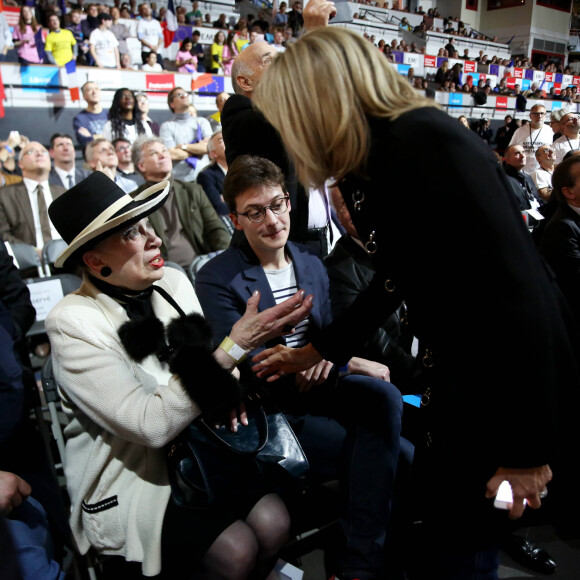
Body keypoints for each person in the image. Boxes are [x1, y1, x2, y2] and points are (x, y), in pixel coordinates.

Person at [252, 26, 578, 579]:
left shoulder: (423, 142)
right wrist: (319, 349)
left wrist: (527, 450)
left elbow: (523, 296)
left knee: (464, 551)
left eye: (286, 115)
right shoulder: (373, 159)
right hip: (458, 387)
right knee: (448, 539)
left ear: (316, 104)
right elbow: (399, 276)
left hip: (499, 395)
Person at [45, 172, 313, 578]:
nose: (154, 239)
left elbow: (213, 374)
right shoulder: (72, 321)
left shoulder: (171, 279)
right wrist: (234, 347)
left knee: (275, 521)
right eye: (132, 233)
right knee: (237, 550)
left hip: (205, 450)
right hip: (136, 480)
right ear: (95, 260)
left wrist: (231, 396)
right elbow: (149, 424)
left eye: (148, 224)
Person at [195, 155, 404, 580]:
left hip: (323, 387)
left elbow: (331, 336)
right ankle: (360, 562)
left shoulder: (311, 263)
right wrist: (311, 356)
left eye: (277, 205)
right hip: (271, 408)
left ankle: (359, 563)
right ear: (235, 219)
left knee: (386, 399)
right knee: (393, 458)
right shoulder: (218, 276)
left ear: (290, 203)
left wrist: (330, 355)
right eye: (255, 211)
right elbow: (246, 361)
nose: (272, 220)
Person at [131, 136, 230, 268]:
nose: (163, 155)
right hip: (162, 270)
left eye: (165, 150)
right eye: (154, 153)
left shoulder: (193, 191)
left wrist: (228, 257)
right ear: (141, 165)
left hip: (201, 263)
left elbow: (215, 229)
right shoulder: (134, 202)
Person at [0, 141, 65, 249]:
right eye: (31, 151)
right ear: (20, 163)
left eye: (44, 152)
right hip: (28, 261)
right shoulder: (4, 195)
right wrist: (32, 253)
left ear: (50, 162)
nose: (39, 154)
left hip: (67, 259)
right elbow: (3, 235)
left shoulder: (64, 193)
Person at [159, 88, 213, 182]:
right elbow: (171, 154)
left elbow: (208, 148)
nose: (184, 96)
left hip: (204, 178)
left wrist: (184, 146)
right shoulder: (167, 126)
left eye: (185, 94)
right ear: (172, 104)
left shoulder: (202, 122)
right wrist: (198, 149)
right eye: (179, 95)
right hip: (180, 181)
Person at [508, 104, 554, 174]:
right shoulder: (520, 131)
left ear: (545, 116)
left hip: (542, 172)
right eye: (536, 114)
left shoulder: (550, 131)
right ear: (530, 116)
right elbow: (510, 150)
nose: (539, 116)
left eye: (542, 113)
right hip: (522, 171)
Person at [196, 130, 229, 216]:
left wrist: (229, 199)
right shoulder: (206, 176)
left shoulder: (247, 165)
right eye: (222, 140)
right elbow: (220, 209)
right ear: (213, 154)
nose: (228, 140)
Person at [73, 82, 109, 153]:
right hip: (92, 159)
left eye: (96, 89)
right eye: (89, 89)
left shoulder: (110, 114)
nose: (94, 92)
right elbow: (85, 142)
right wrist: (107, 136)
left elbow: (117, 136)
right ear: (84, 96)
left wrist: (92, 136)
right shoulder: (79, 119)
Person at [137, 2, 163, 67]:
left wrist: (157, 46)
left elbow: (161, 36)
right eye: (144, 8)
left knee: (160, 69)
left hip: (157, 51)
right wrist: (151, 46)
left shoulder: (156, 22)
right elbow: (140, 37)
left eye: (148, 8)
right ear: (141, 11)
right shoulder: (141, 22)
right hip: (146, 50)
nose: (147, 9)